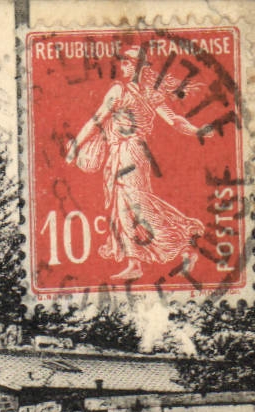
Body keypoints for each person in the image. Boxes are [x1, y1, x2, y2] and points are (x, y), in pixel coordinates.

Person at [66, 47, 206, 281]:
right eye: (122, 62)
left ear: (138, 66)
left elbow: (97, 120)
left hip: (128, 152)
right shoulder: (149, 94)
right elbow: (175, 121)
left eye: (126, 63)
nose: (122, 67)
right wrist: (196, 130)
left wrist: (75, 146)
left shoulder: (121, 91)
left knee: (135, 205)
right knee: (126, 205)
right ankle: (137, 262)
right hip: (131, 153)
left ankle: (183, 244)